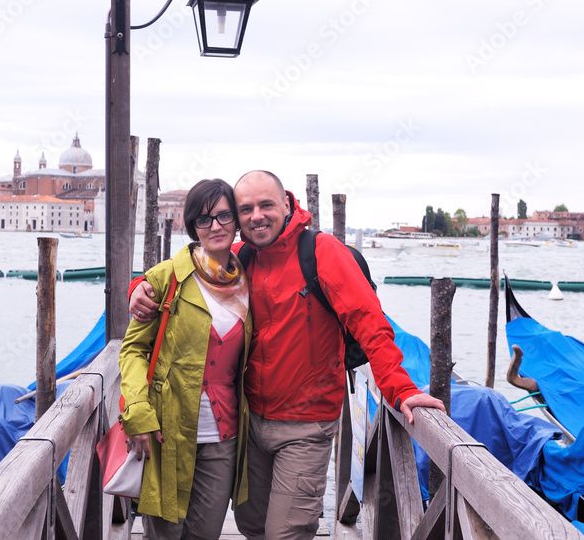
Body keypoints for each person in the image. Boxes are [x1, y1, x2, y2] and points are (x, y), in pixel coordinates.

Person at [131, 170, 445, 540]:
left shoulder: (323, 253)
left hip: (305, 425)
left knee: (286, 533)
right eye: (246, 209)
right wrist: (139, 287)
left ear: (286, 203)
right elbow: (187, 272)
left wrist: (400, 389)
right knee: (251, 524)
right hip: (250, 423)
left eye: (266, 205)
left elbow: (370, 324)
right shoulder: (241, 258)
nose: (256, 216)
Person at [119, 178, 251, 539]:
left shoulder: (248, 279)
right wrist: (137, 412)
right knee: (164, 535)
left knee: (206, 533)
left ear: (236, 220)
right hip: (166, 431)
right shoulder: (167, 277)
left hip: (224, 435)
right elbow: (133, 350)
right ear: (192, 226)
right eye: (204, 219)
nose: (216, 226)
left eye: (224, 216)